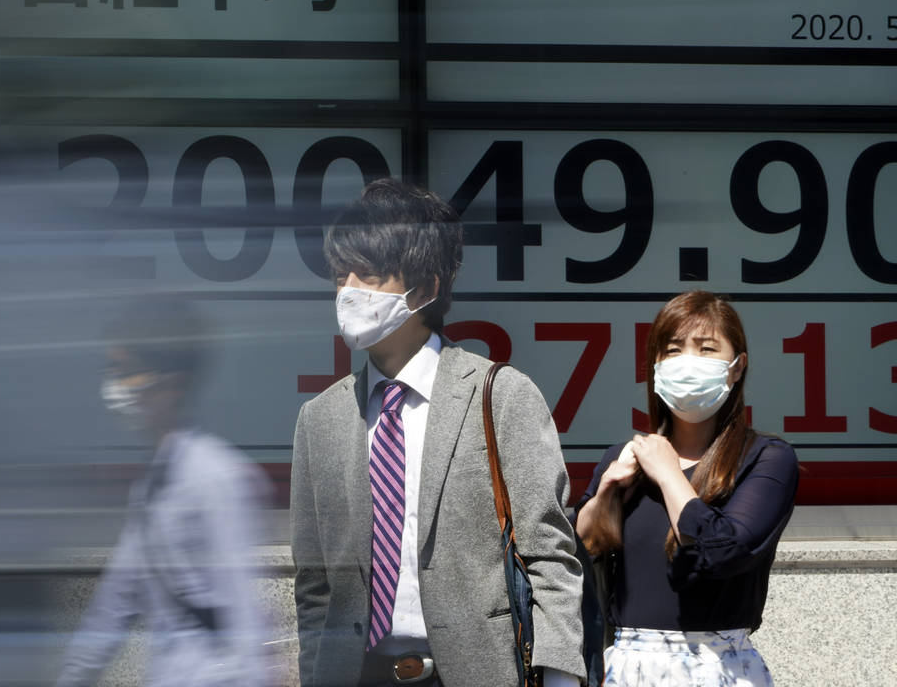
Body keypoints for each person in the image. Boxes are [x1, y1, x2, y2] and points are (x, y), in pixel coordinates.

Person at [291, 178, 587, 687]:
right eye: (341, 275)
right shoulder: (320, 419)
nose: (349, 290)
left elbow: (549, 556)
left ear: (426, 288)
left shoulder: (501, 396)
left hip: (477, 672)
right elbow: (315, 583)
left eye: (370, 273)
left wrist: (559, 676)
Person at [574, 291, 798, 686]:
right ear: (656, 366)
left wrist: (669, 474)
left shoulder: (766, 458)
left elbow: (724, 551)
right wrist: (607, 489)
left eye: (706, 348)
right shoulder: (625, 457)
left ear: (737, 367)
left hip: (719, 665)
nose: (688, 362)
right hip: (629, 665)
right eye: (673, 350)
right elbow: (583, 548)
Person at [57, 295, 273, 687]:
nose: (114, 388)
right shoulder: (151, 487)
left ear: (171, 384)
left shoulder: (215, 477)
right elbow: (115, 603)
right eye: (112, 371)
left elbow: (243, 613)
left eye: (126, 372)